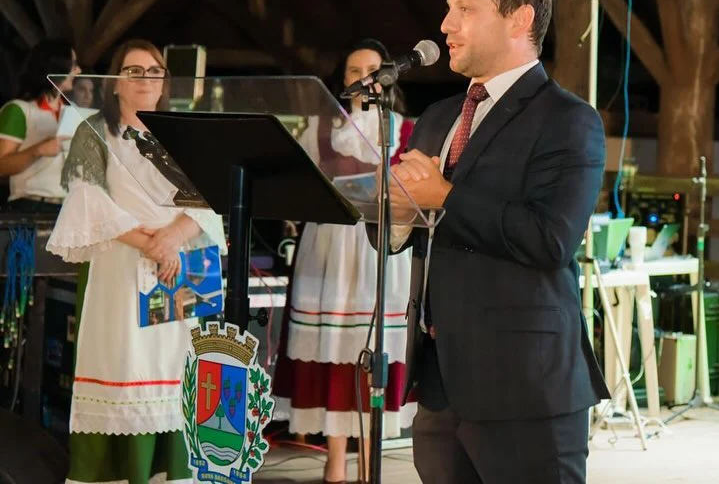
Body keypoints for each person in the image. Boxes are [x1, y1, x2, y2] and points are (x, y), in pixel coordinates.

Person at [384, 0, 610, 484]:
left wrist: (444, 197)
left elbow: (550, 239)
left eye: (465, 9)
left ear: (520, 18)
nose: (445, 25)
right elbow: (415, 231)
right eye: (448, 7)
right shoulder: (438, 118)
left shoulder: (567, 120)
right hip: (441, 385)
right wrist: (397, 210)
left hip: (525, 389)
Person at [46, 39, 227, 484]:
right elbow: (85, 201)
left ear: (165, 80)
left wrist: (172, 238)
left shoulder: (183, 131)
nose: (146, 78)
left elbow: (210, 199)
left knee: (183, 373)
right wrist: (148, 242)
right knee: (127, 367)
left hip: (186, 268)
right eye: (134, 70)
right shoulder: (95, 132)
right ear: (115, 84)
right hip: (121, 267)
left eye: (154, 70)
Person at [272, 39, 416, 484]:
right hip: (331, 245)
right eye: (355, 71)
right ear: (344, 78)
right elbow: (293, 184)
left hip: (379, 247)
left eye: (373, 69)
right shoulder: (320, 127)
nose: (365, 78)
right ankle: (335, 462)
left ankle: (370, 464)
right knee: (335, 355)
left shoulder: (406, 130)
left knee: (374, 354)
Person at [0, 38, 80, 213]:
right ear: (56, 67)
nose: (78, 71)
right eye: (73, 65)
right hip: (31, 206)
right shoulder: (18, 110)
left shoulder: (73, 111)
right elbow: (1, 166)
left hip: (71, 207)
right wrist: (36, 151)